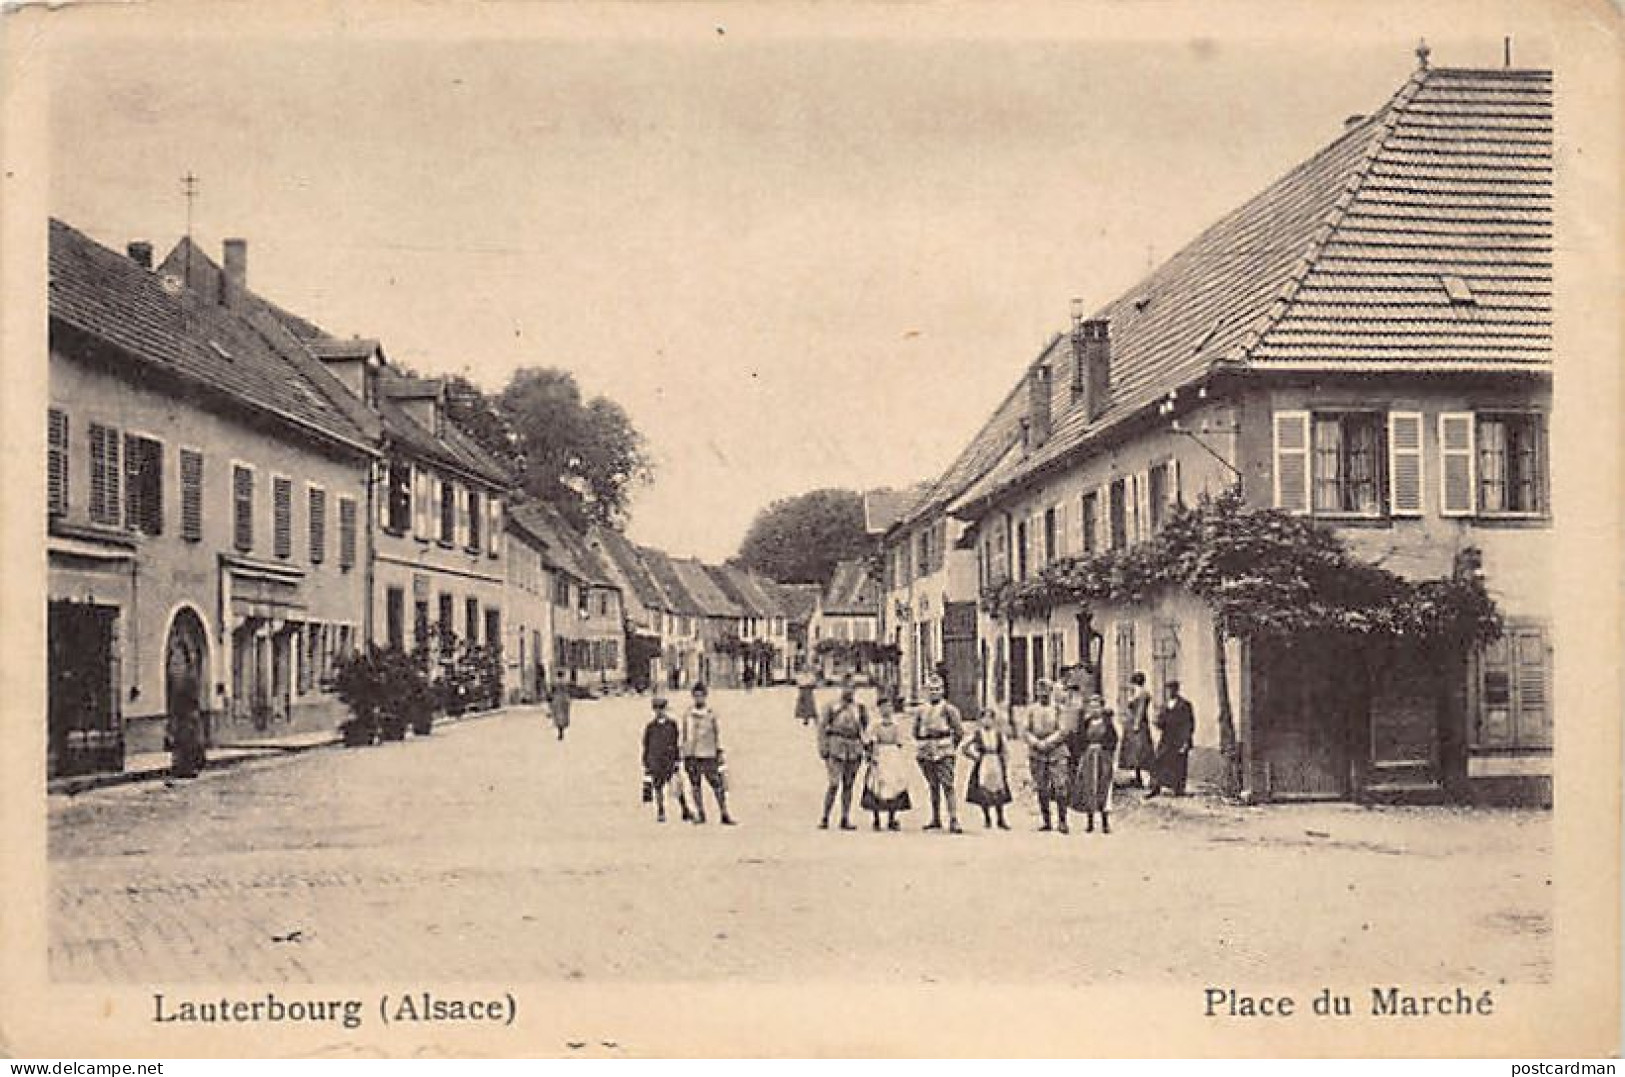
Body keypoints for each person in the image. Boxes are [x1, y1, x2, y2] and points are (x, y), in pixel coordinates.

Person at [912, 676, 964, 833]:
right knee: (932, 785)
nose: (934, 692)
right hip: (926, 750)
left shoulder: (949, 709)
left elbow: (959, 731)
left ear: (943, 691)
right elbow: (915, 731)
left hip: (944, 749)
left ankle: (953, 819)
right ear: (927, 692)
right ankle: (935, 818)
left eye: (937, 689)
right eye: (931, 690)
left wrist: (950, 746)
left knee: (947, 785)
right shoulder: (921, 710)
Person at [817, 674, 869, 830]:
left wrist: (864, 746)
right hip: (836, 747)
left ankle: (845, 818)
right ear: (841, 688)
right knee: (834, 783)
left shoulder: (859, 708)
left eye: (852, 688)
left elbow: (864, 726)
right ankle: (825, 817)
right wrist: (823, 747)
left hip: (853, 748)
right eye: (846, 687)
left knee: (848, 784)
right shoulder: (832, 706)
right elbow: (822, 728)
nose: (849, 691)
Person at [1022, 677, 1072, 833]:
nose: (1042, 695)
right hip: (1037, 753)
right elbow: (1025, 730)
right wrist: (1036, 743)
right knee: (1041, 787)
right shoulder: (1031, 710)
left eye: (1046, 692)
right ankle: (1046, 821)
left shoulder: (1058, 709)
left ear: (1051, 692)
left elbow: (1063, 730)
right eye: (1039, 692)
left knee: (1060, 786)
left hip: (1056, 752)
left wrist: (1048, 743)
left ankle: (1062, 820)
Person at [681, 683, 736, 824]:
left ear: (705, 696)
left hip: (708, 753)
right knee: (695, 785)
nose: (698, 698)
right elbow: (685, 734)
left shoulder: (712, 714)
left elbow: (718, 733)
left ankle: (724, 813)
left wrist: (719, 750)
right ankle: (701, 813)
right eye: (696, 695)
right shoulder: (688, 714)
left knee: (717, 784)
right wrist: (683, 752)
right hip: (692, 754)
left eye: (701, 695)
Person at [860, 695, 912, 830]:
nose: (886, 710)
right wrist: (871, 754)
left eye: (888, 707)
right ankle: (876, 818)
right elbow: (868, 740)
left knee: (894, 785)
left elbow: (901, 741)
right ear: (879, 709)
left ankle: (892, 818)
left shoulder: (896, 724)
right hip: (879, 754)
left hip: (893, 756)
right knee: (876, 785)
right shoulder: (875, 724)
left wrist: (896, 752)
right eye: (883, 707)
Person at [1070, 694, 1119, 833]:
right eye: (1092, 706)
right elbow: (1080, 740)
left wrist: (1108, 753)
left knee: (1104, 788)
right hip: (1089, 757)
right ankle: (1090, 822)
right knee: (1089, 787)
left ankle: (1105, 823)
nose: (1094, 709)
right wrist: (1082, 754)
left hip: (1104, 757)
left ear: (1102, 707)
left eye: (1097, 706)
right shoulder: (1086, 723)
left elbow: (1113, 740)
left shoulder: (1107, 723)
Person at [641, 695, 691, 823]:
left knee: (677, 787)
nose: (659, 711)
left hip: (668, 760)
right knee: (658, 787)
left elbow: (675, 742)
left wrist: (676, 759)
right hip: (656, 761)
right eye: (657, 709)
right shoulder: (650, 727)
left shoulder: (671, 725)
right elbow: (646, 744)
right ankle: (661, 811)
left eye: (661, 708)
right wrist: (646, 761)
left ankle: (684, 809)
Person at [961, 707, 1012, 830]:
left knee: (999, 790)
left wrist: (1004, 762)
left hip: (996, 762)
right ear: (980, 720)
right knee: (983, 791)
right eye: (984, 718)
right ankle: (987, 818)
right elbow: (964, 747)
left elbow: (1006, 750)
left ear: (994, 720)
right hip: (983, 762)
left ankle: (1000, 818)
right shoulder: (977, 734)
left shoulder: (999, 734)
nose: (987, 721)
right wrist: (974, 756)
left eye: (990, 718)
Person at [1147, 680, 1195, 799]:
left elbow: (1189, 724)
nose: (1170, 692)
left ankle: (1178, 789)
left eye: (1172, 689)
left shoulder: (1184, 704)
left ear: (1176, 690)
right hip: (1166, 738)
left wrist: (1186, 741)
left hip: (1179, 738)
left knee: (1179, 764)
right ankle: (1156, 787)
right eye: (1168, 689)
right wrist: (1157, 722)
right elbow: (1162, 721)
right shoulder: (1165, 705)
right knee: (1159, 760)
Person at [1118, 671, 1156, 788]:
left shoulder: (1142, 694)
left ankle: (1151, 779)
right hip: (1131, 725)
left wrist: (1136, 724)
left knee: (1141, 752)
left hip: (1138, 727)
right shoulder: (1137, 693)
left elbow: (1141, 710)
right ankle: (1138, 777)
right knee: (1133, 754)